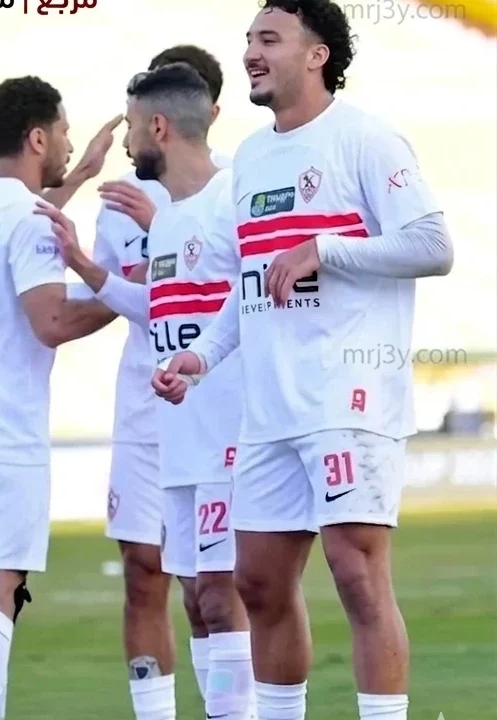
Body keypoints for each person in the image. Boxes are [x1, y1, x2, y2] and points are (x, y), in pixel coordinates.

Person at [155, 3, 453, 719]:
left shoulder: (366, 139)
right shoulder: (250, 159)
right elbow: (250, 282)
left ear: (317, 55)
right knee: (257, 584)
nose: (250, 53)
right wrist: (201, 356)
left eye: (269, 39)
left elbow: (434, 246)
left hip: (347, 394)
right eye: (248, 40)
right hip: (269, 409)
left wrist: (326, 248)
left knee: (356, 574)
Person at [56, 63, 257, 720]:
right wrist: (86, 267)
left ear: (160, 127)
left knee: (223, 595)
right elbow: (162, 311)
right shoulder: (166, 223)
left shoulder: (232, 201)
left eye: (132, 126)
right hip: (177, 434)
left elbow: (253, 309)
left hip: (227, 434)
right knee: (197, 598)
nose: (125, 141)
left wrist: (202, 364)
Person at [0, 76, 122, 720]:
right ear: (38, 138)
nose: (70, 142)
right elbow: (52, 322)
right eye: (63, 132)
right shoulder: (31, 220)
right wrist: (128, 291)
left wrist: (81, 177)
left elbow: (18, 222)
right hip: (0, 427)